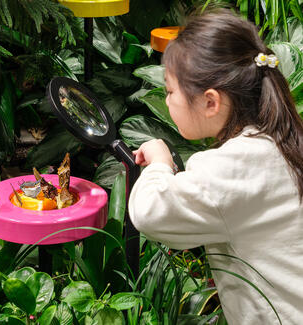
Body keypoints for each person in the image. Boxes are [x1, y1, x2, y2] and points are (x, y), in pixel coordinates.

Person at [128, 9, 303, 325]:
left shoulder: (233, 167)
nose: (167, 101)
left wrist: (160, 164)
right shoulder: (284, 140)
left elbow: (151, 213)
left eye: (170, 91)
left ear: (211, 102)